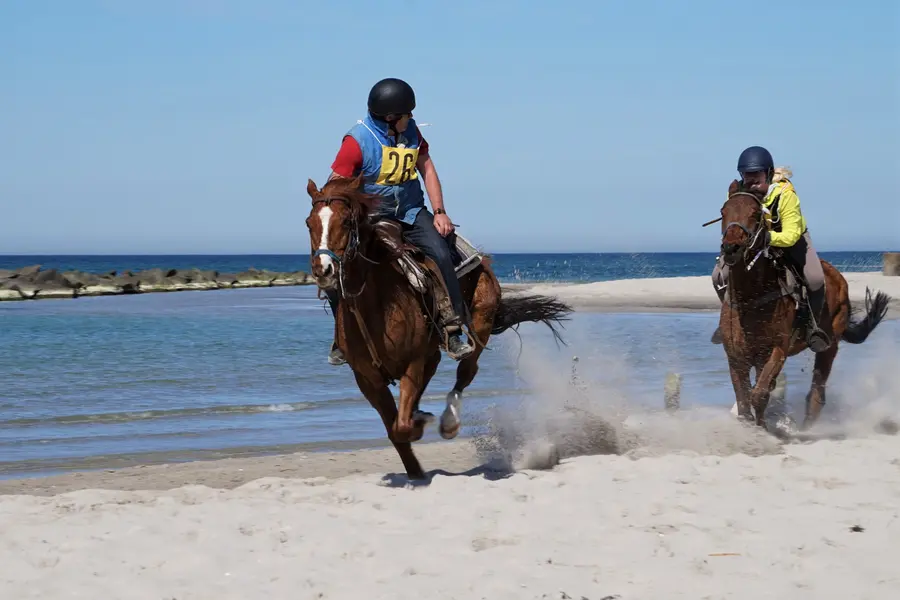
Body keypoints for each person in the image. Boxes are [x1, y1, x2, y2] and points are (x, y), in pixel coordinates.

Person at [322, 77, 474, 366]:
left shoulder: (412, 133)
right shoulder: (356, 142)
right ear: (391, 118)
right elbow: (337, 182)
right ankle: (341, 337)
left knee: (442, 253)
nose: (412, 119)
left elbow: (427, 168)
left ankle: (452, 330)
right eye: (407, 114)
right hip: (373, 219)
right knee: (340, 272)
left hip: (412, 212)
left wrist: (440, 211)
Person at [710, 145, 832, 353]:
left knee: (815, 278)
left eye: (756, 174)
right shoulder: (736, 192)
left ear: (767, 173)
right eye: (747, 175)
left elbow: (791, 234)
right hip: (751, 241)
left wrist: (767, 237)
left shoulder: (785, 194)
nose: (751, 180)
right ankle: (729, 320)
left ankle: (813, 326)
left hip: (790, 238)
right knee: (717, 277)